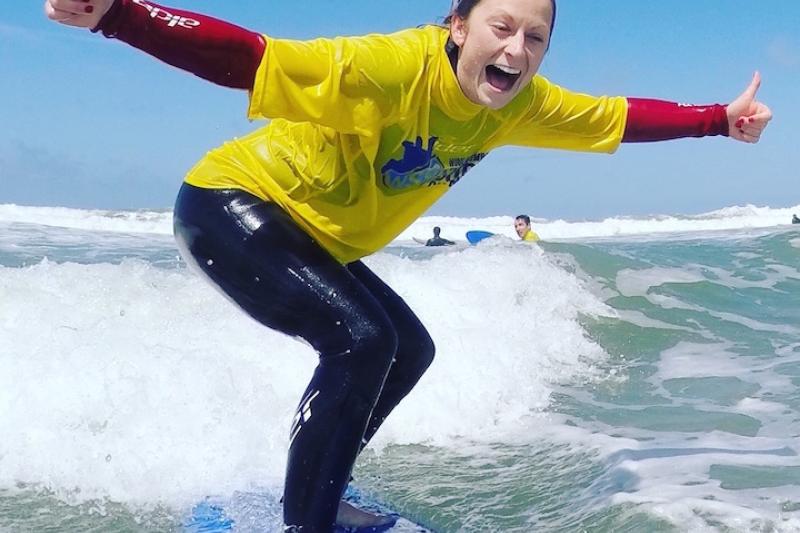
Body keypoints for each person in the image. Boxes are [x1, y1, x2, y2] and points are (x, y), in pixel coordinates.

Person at [44, 0, 772, 530]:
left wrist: (718, 118)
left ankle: (319, 489)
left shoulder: (520, 104)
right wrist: (118, 15)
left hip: (311, 234)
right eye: (501, 27)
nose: (516, 50)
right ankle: (309, 521)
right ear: (459, 26)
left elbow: (616, 116)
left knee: (408, 348)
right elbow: (256, 59)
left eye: (535, 37)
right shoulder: (393, 68)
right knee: (362, 340)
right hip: (229, 204)